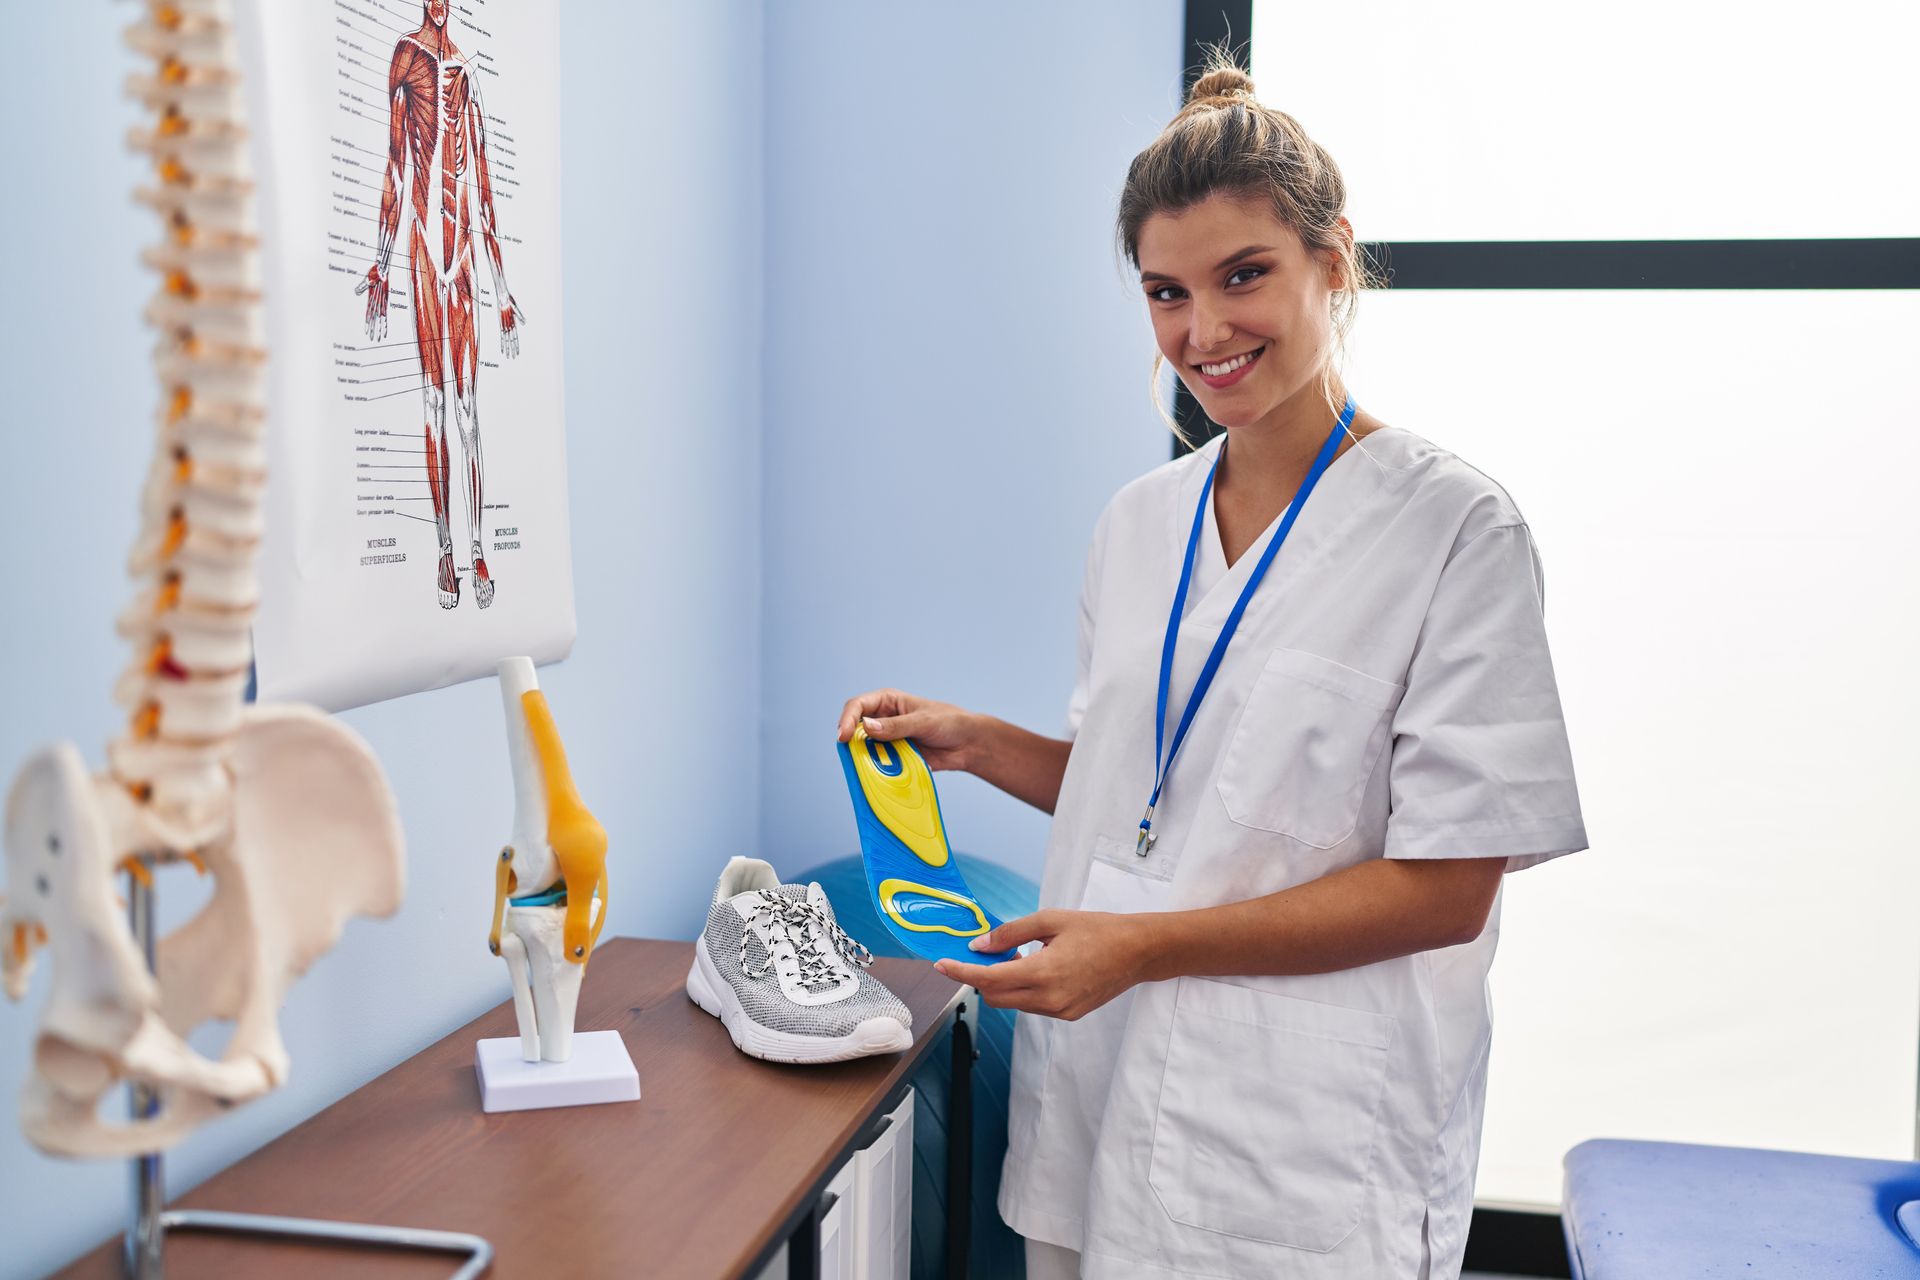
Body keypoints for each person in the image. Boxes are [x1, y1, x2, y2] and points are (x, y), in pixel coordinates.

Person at [835, 62, 1587, 1280]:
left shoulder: (1455, 531)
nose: (1204, 330)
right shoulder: (1139, 524)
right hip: (1099, 1094)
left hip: (1304, 1150)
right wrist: (972, 741)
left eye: (1246, 275)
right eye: (1166, 292)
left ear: (1332, 258)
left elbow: (1449, 887)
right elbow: (1162, 790)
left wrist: (1139, 947)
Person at [358, 0, 525, 611]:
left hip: (462, 263)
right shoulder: (404, 58)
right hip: (425, 254)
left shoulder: (466, 72)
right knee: (434, 405)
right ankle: (445, 550)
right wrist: (380, 259)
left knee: (470, 412)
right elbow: (396, 169)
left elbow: (482, 184)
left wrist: (502, 289)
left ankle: (479, 547)